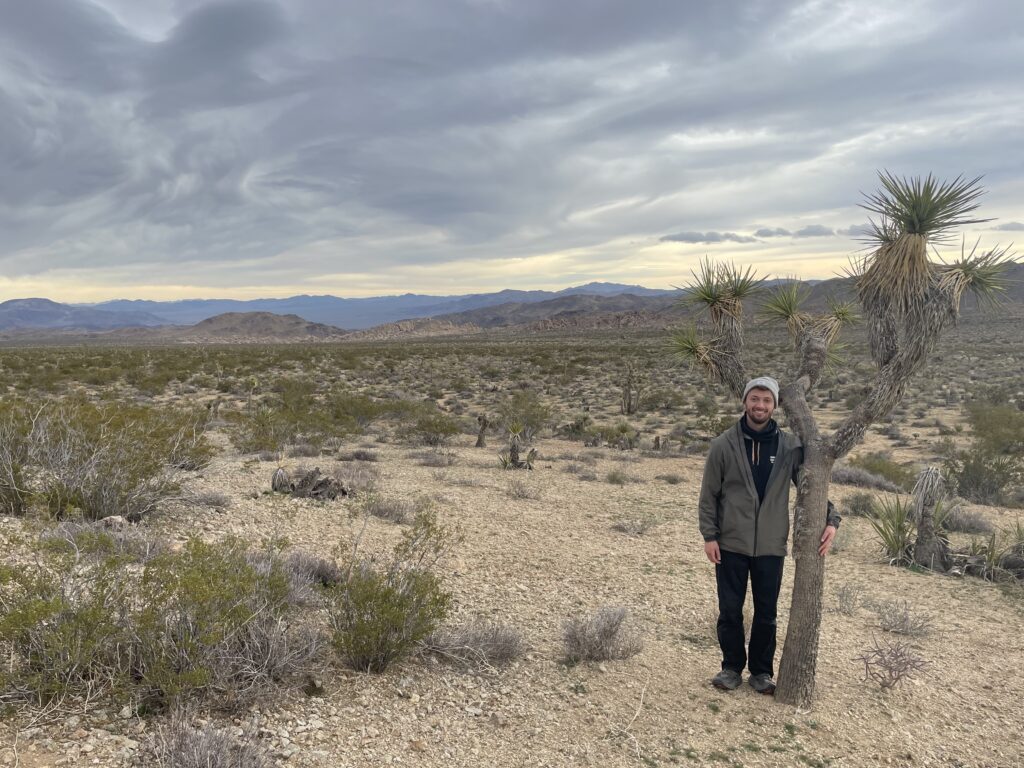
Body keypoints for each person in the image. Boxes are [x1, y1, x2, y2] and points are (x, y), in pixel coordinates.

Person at [698, 376, 840, 695]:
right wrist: (710, 535)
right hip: (730, 543)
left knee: (767, 612)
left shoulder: (790, 447)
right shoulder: (723, 445)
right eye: (755, 399)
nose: (760, 405)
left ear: (775, 406)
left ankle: (761, 671)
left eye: (766, 400)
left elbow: (811, 487)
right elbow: (708, 496)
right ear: (745, 401)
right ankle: (731, 667)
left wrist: (831, 518)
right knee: (730, 609)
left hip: (771, 545)